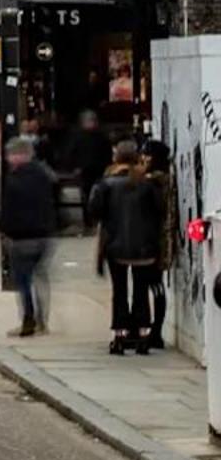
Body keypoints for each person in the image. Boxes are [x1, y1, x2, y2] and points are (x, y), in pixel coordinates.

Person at [90, 140, 166, 355]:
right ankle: (143, 333)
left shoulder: (107, 183)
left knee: (120, 290)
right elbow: (160, 210)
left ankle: (121, 334)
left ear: (117, 158)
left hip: (116, 246)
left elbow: (94, 209)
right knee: (141, 290)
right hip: (145, 247)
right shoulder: (148, 183)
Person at [0, 135, 61, 336]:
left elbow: (8, 210)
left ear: (20, 155)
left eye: (11, 155)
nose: (8, 159)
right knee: (41, 276)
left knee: (23, 280)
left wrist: (5, 233)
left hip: (22, 237)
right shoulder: (45, 175)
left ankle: (28, 318)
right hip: (46, 235)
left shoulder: (14, 180)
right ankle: (43, 321)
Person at [141, 138, 176, 352]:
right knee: (156, 286)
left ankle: (154, 331)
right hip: (160, 240)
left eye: (147, 155)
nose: (143, 158)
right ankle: (156, 330)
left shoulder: (153, 182)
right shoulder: (164, 180)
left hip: (153, 241)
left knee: (152, 285)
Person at [69, 109, 114, 227]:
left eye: (92, 121)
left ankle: (100, 220)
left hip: (100, 170)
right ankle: (88, 221)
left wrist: (109, 168)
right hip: (85, 172)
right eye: (88, 121)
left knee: (101, 195)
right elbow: (72, 154)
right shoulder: (77, 137)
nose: (91, 123)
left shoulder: (102, 138)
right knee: (86, 196)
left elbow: (107, 154)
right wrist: (75, 167)